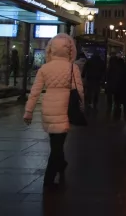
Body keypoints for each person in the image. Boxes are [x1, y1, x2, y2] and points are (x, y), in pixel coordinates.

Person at [23, 33, 84, 188]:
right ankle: (48, 180)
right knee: (58, 144)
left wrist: (28, 111)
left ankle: (62, 163)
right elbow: (79, 90)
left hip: (48, 106)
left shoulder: (45, 68)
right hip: (65, 107)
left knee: (55, 141)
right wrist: (82, 106)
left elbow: (35, 91)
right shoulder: (72, 67)